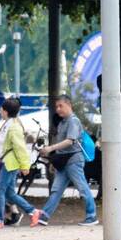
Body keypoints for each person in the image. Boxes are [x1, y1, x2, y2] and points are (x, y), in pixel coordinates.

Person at [31, 94, 98, 227]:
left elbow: (69, 141)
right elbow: (63, 144)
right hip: (63, 162)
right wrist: (54, 160)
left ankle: (92, 216)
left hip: (74, 160)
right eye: (56, 106)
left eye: (61, 106)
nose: (58, 109)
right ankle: (44, 216)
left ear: (69, 105)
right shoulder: (62, 122)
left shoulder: (73, 121)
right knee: (56, 190)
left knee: (83, 188)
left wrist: (50, 149)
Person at [0, 96, 33, 230]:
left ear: (5, 111)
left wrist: (25, 166)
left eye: (1, 110)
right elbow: (0, 146)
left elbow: (20, 148)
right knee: (10, 194)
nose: (0, 111)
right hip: (6, 163)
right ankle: (33, 212)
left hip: (10, 164)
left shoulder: (14, 127)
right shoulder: (6, 125)